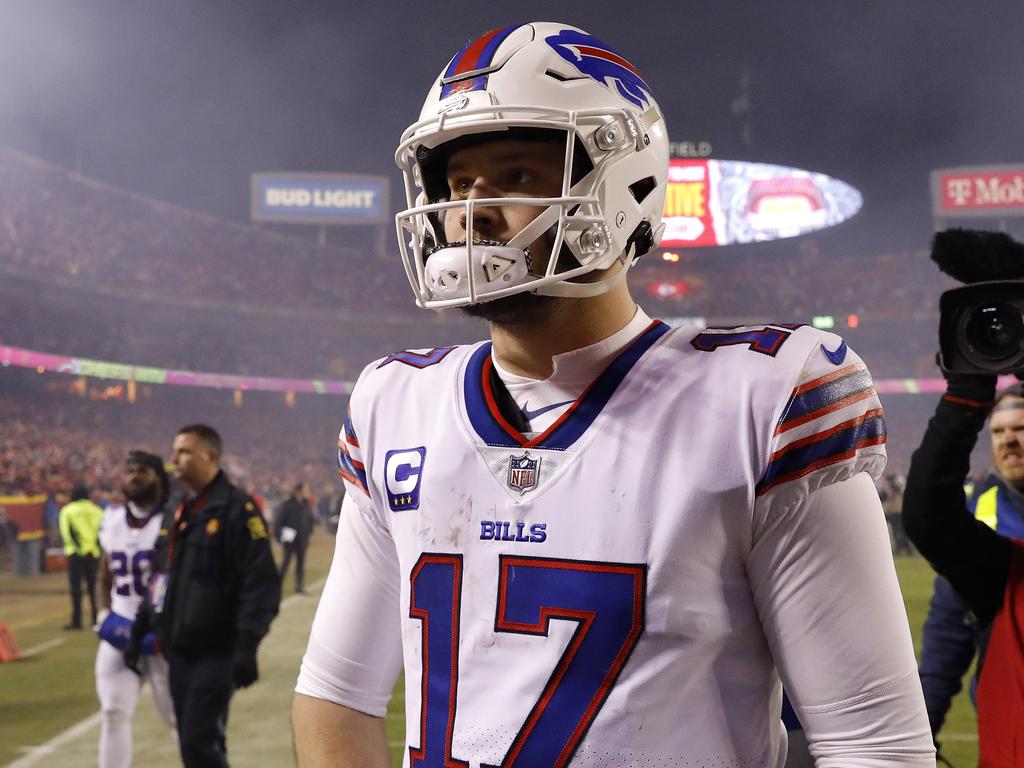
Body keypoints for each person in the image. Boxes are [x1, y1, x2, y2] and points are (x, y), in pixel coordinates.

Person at [293, 21, 933, 767]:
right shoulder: (393, 402)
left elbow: (874, 746)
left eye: (516, 176)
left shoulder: (767, 399)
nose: (468, 210)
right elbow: (335, 693)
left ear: (621, 186)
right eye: (456, 183)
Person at [126, 424, 280, 768]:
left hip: (217, 651)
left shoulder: (237, 510)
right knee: (196, 743)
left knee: (198, 742)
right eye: (175, 451)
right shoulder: (178, 512)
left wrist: (247, 643)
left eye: (184, 452)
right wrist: (140, 628)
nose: (174, 459)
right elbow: (160, 577)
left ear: (210, 455)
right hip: (178, 651)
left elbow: (261, 582)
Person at [904, 377, 1024, 765]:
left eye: (1020, 429)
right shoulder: (982, 521)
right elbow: (947, 633)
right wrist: (922, 729)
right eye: (999, 431)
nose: (1008, 441)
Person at [94, 450, 176, 768]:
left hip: (162, 633)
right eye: (129, 470)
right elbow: (104, 576)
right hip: (120, 630)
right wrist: (103, 614)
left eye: (143, 470)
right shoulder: (112, 518)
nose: (134, 476)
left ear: (159, 477)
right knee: (113, 712)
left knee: (178, 718)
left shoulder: (171, 520)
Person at [59, 483, 103, 630]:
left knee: (76, 589)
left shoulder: (67, 511)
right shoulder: (97, 510)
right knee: (93, 588)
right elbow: (102, 532)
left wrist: (80, 550)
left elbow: (67, 533)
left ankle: (76, 621)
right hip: (94, 554)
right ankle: (96, 619)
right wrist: (94, 549)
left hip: (76, 555)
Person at [274, 483, 314, 594]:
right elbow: (279, 521)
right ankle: (276, 586)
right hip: (289, 538)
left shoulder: (306, 504)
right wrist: (279, 536)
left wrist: (309, 533)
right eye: (306, 490)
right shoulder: (288, 504)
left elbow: (310, 520)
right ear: (300, 491)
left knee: (300, 564)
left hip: (302, 538)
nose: (308, 492)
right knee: (285, 563)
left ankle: (299, 587)